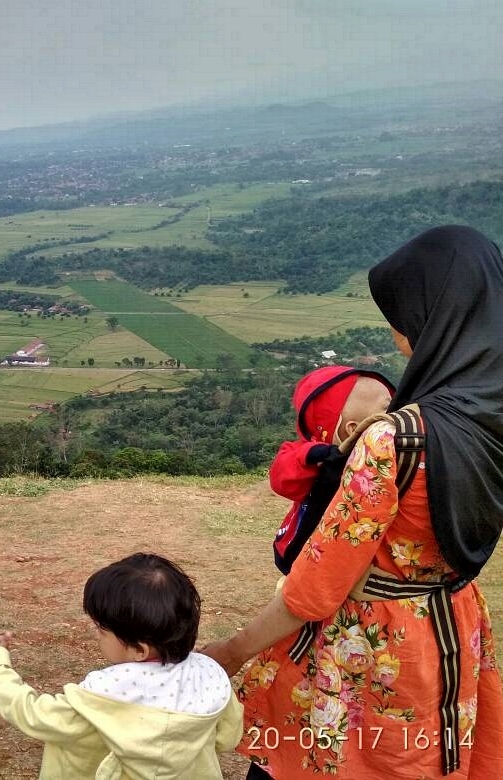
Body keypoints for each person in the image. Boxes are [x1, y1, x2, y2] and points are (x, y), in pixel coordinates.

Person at [203, 224, 503, 779]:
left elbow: (318, 585)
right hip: (454, 629)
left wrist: (234, 648)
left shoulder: (395, 439)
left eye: (403, 320)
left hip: (373, 642)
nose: (396, 339)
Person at [0, 552, 243, 779]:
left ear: (139, 650)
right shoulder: (210, 678)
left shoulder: (99, 701)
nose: (96, 634)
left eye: (101, 630)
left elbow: (33, 715)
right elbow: (227, 737)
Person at [270, 365, 394, 574]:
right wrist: (315, 455)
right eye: (387, 409)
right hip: (305, 556)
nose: (396, 415)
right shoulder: (313, 457)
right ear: (353, 428)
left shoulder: (387, 455)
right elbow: (281, 475)